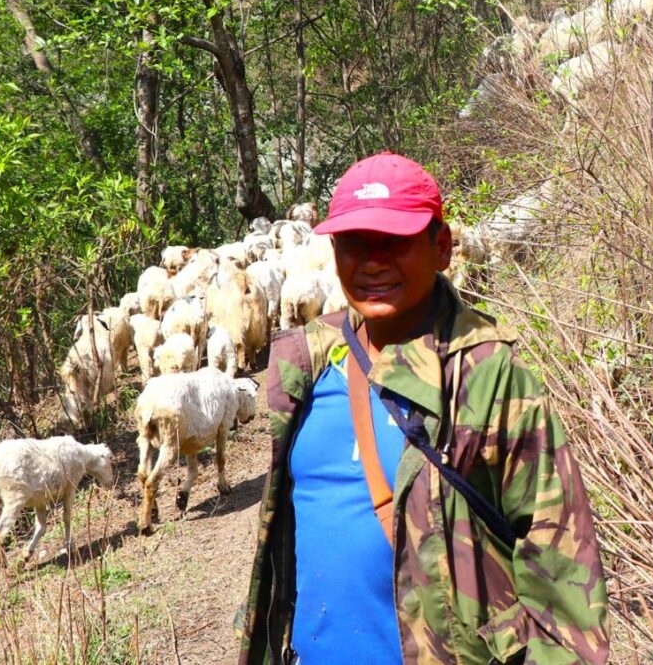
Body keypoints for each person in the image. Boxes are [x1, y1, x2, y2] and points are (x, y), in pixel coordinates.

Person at [235, 152, 610, 664]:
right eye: (354, 243)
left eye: (394, 242)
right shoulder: (309, 363)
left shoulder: (488, 379)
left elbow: (563, 573)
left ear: (441, 248)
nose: (371, 261)